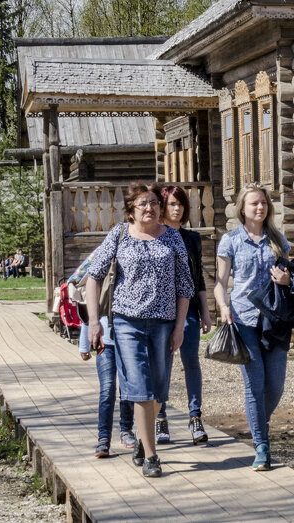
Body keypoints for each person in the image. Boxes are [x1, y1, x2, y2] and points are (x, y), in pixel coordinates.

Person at [85, 181, 194, 479]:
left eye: (154, 203)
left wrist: (180, 327)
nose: (150, 208)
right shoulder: (119, 235)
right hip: (126, 322)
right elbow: (93, 277)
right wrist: (94, 322)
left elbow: (185, 286)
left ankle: (141, 440)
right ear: (131, 211)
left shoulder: (172, 238)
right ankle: (152, 455)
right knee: (141, 387)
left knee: (159, 390)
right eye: (143, 204)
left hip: (164, 323)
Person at [214, 182, 293, 471]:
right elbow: (221, 283)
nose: (259, 207)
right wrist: (223, 307)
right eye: (254, 203)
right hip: (244, 318)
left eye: (263, 203)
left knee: (276, 386)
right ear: (242, 209)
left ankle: (258, 419)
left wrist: (286, 280)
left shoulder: (278, 240)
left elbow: (291, 276)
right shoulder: (231, 241)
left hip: (275, 320)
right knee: (254, 384)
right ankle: (261, 446)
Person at [156, 185, 213, 446]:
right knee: (163, 364)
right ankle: (160, 416)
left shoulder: (192, 238)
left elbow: (198, 276)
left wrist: (206, 311)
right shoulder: (154, 236)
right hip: (160, 311)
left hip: (188, 308)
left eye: (180, 204)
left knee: (191, 360)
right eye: (172, 204)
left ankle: (195, 417)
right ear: (163, 207)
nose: (177, 208)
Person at [78, 314, 136, 458]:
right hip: (105, 341)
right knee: (107, 389)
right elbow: (88, 308)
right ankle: (103, 438)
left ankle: (126, 429)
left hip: (128, 340)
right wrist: (84, 344)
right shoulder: (101, 289)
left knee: (128, 388)